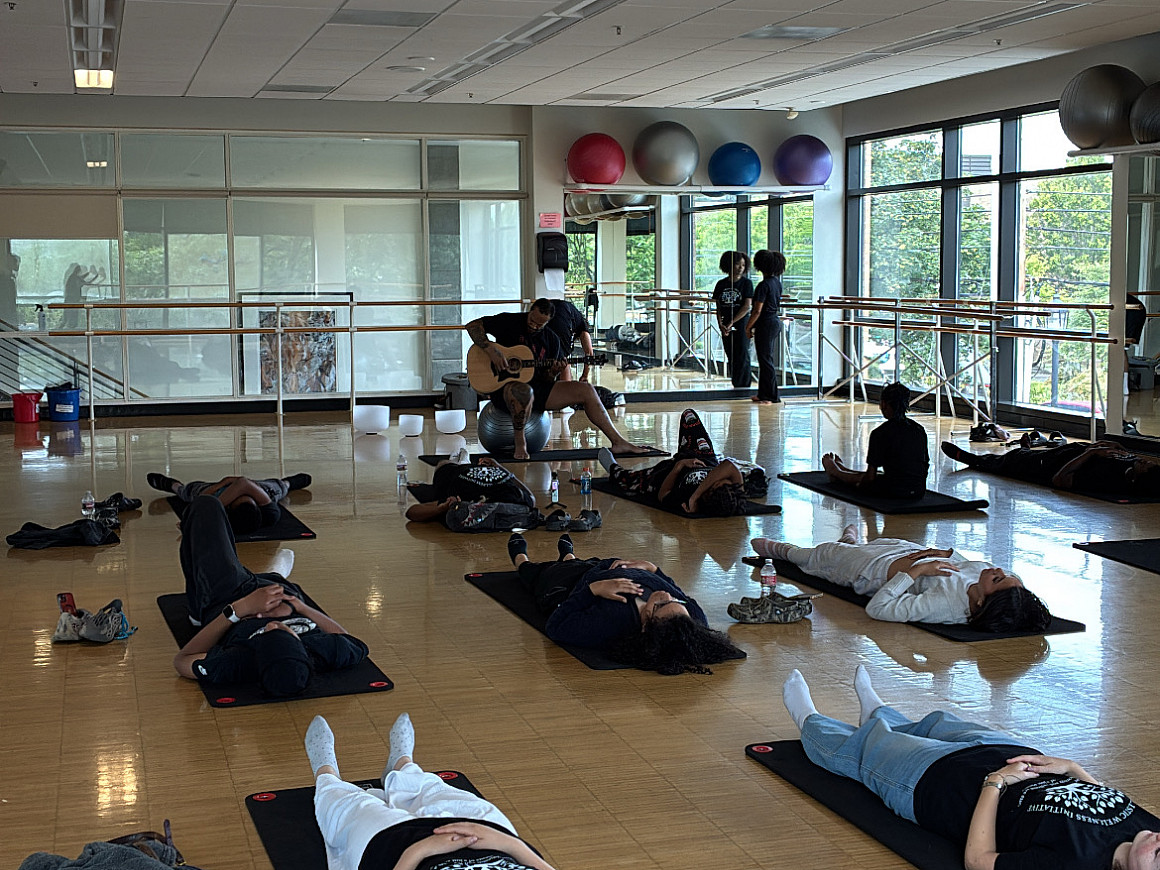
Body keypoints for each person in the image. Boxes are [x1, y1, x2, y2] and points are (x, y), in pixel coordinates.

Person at [781, 666, 1160, 870]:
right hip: (1010, 755)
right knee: (935, 723)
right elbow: (1106, 803)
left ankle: (809, 720)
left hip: (940, 787)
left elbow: (978, 862)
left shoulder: (1073, 865)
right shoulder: (1150, 832)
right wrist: (1074, 769)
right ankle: (877, 712)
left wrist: (994, 784)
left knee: (864, 750)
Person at [304, 713, 557, 870]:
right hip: (491, 840)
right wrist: (508, 843)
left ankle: (326, 772)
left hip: (398, 852)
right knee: (446, 795)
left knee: (352, 811)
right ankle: (404, 765)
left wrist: (421, 850)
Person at [172, 496, 368, 696]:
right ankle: (274, 574)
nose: (271, 624)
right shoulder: (321, 652)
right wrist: (299, 606)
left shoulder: (236, 663)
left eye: (265, 633)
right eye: (284, 630)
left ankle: (198, 603)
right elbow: (348, 640)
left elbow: (182, 660)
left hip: (227, 599)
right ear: (302, 648)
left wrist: (239, 610)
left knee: (205, 507)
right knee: (273, 580)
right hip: (283, 594)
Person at [507, 533, 745, 675]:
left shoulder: (611, 620)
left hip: (567, 586)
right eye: (676, 601)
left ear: (646, 626)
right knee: (579, 562)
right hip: (603, 566)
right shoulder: (691, 619)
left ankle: (521, 559)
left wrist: (594, 590)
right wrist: (653, 569)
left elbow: (556, 628)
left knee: (536, 573)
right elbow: (674, 589)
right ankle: (568, 555)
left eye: (662, 605)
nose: (666, 595)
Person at [751, 526, 1052, 630]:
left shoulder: (943, 606)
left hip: (872, 573)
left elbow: (878, 609)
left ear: (982, 600)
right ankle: (851, 543)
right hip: (906, 552)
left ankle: (784, 551)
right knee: (859, 547)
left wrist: (917, 571)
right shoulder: (994, 584)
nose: (999, 571)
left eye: (998, 579)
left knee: (816, 557)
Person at [465, 298, 649, 460]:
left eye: (540, 324)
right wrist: (491, 350)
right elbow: (472, 326)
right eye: (532, 320)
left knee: (587, 390)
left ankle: (618, 442)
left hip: (538, 390)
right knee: (523, 391)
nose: (534, 326)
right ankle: (520, 443)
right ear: (530, 311)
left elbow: (546, 380)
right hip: (505, 390)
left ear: (548, 321)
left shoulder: (551, 340)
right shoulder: (509, 321)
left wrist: (553, 371)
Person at [600, 407, 755, 516]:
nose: (713, 479)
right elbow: (728, 465)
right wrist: (699, 492)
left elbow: (663, 495)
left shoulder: (687, 500)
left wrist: (679, 466)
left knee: (624, 479)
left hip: (669, 472)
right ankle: (683, 452)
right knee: (689, 415)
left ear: (708, 495)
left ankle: (611, 465)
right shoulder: (734, 493)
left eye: (714, 484)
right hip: (703, 457)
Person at [942, 440, 1160, 497]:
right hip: (1060, 453)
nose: (1146, 461)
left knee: (1008, 462)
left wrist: (1091, 453)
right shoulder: (1131, 464)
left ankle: (974, 460)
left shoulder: (1109, 482)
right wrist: (1110, 447)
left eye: (1147, 466)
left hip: (1047, 467)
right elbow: (1119, 452)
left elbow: (1060, 479)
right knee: (1021, 456)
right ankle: (1025, 451)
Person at [823, 381, 929, 499]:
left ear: (883, 404)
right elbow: (925, 465)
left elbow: (870, 478)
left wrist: (857, 485)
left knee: (870, 479)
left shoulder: (880, 433)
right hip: (919, 490)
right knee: (885, 476)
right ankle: (843, 470)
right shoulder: (919, 430)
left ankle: (835, 471)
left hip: (894, 492)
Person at [147, 470, 312, 533]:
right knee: (279, 489)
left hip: (219, 490)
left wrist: (222, 485)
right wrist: (229, 481)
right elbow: (243, 483)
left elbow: (204, 499)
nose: (242, 494)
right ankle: (289, 481)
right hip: (259, 488)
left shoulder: (218, 508)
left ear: (230, 505)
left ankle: (172, 485)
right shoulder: (270, 513)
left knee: (189, 493)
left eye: (240, 498)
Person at [404, 449, 537, 526]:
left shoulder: (467, 501)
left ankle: (461, 461)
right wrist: (501, 469)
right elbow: (530, 497)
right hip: (486, 471)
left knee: (443, 463)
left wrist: (441, 509)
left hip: (451, 473)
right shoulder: (517, 496)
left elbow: (412, 512)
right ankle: (463, 462)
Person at [745, 249, 785, 404]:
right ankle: (763, 394)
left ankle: (771, 396)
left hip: (766, 323)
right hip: (774, 321)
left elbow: (756, 310)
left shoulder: (763, 285)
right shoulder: (776, 283)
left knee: (765, 360)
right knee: (764, 359)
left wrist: (748, 327)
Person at [713, 251, 754, 388]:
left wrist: (732, 322)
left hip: (741, 323)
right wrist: (721, 324)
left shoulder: (746, 283)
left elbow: (746, 306)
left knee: (742, 353)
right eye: (737, 264)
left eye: (743, 265)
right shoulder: (721, 284)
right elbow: (718, 306)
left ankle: (744, 385)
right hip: (725, 324)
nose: (740, 268)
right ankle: (735, 384)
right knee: (730, 354)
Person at [545, 296, 594, 382]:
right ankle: (565, 388)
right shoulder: (582, 325)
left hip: (545, 312)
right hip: (560, 319)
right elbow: (589, 353)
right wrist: (585, 375)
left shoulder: (573, 312)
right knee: (563, 359)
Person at [62, 263, 103, 330]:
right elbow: (86, 282)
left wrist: (90, 273)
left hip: (70, 298)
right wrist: (96, 276)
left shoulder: (73, 277)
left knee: (68, 314)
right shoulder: (75, 278)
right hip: (73, 299)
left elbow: (82, 278)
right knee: (72, 314)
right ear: (78, 271)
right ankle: (70, 327)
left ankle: (68, 326)